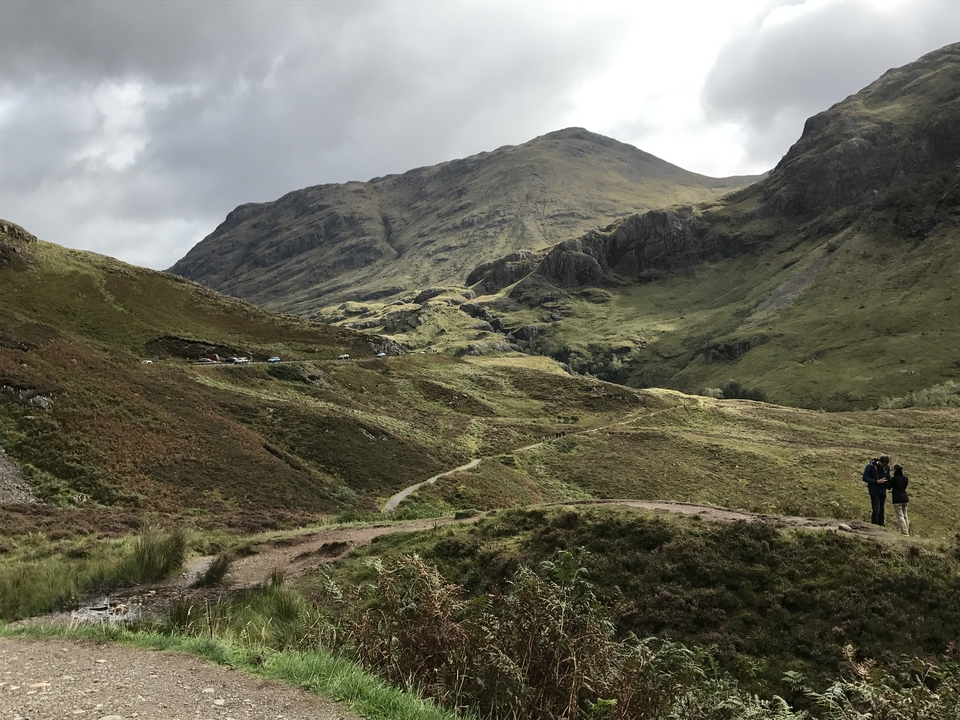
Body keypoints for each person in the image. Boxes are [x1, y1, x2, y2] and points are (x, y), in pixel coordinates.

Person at [862, 456, 890, 526]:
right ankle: (874, 525)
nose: (884, 467)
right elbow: (865, 478)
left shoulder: (887, 468)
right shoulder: (870, 466)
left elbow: (888, 476)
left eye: (885, 466)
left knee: (882, 509)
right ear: (880, 462)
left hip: (882, 490)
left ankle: (881, 524)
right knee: (876, 509)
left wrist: (888, 481)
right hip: (874, 490)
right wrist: (876, 481)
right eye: (883, 465)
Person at [889, 464, 910, 535]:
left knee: (900, 516)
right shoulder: (905, 478)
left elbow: (889, 486)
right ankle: (907, 530)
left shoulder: (895, 478)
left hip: (897, 498)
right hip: (905, 497)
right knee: (905, 515)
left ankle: (904, 532)